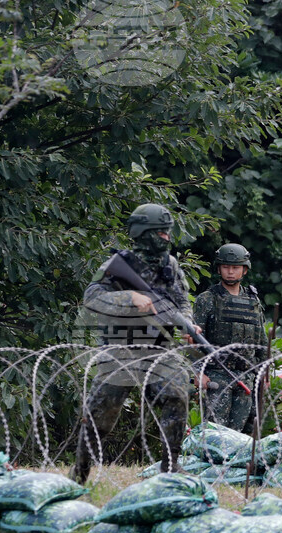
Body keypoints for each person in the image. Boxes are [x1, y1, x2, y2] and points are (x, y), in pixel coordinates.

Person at [72, 204, 198, 484]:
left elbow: (181, 302)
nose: (167, 238)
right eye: (161, 233)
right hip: (121, 348)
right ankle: (80, 471)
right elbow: (92, 298)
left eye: (167, 232)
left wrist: (189, 325)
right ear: (144, 234)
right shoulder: (118, 264)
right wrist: (129, 297)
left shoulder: (171, 266)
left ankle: (170, 467)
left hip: (159, 348)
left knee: (178, 393)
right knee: (101, 415)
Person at [192, 243, 267, 433]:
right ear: (219, 268)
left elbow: (261, 342)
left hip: (246, 376)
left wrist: (263, 373)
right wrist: (198, 372)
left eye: (235, 268)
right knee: (215, 433)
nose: (230, 272)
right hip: (217, 375)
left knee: (242, 435)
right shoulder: (207, 299)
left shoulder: (253, 301)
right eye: (226, 267)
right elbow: (194, 340)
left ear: (244, 270)